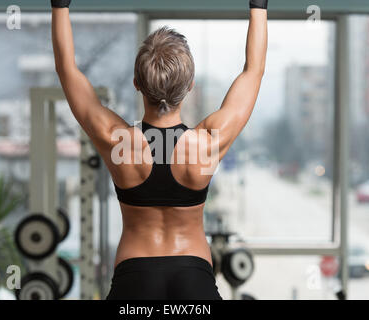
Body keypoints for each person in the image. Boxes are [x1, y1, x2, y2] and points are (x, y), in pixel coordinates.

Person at [51, 0, 268, 300]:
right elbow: (253, 71)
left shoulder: (117, 140)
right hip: (194, 278)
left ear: (136, 83)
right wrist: (259, 6)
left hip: (134, 278)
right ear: (190, 86)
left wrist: (59, 6)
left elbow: (66, 69)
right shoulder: (206, 143)